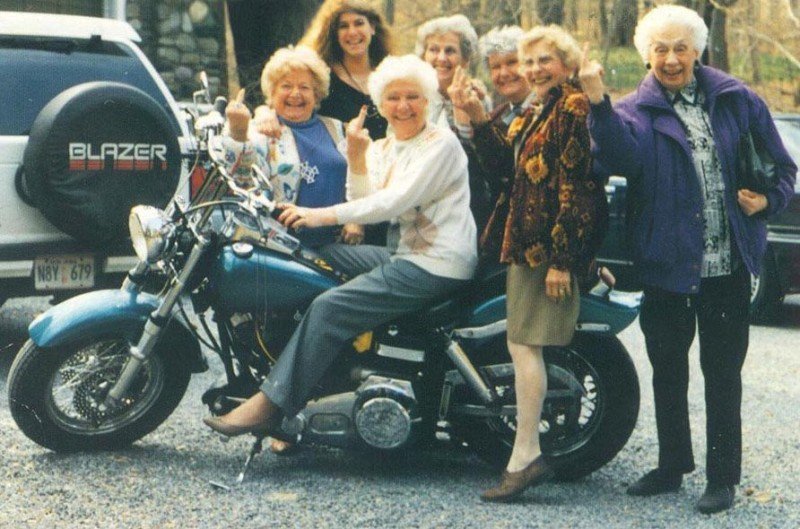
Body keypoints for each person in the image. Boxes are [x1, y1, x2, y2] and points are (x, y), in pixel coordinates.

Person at [578, 5, 796, 514]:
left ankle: (722, 477)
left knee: (723, 374)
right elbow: (619, 158)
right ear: (646, 55)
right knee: (668, 371)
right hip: (666, 264)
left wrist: (767, 202)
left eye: (681, 48)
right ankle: (672, 465)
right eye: (661, 49)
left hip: (728, 265)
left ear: (698, 51)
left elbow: (784, 169)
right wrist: (597, 103)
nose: (672, 59)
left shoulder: (737, 99)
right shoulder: (633, 112)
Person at [203, 55, 478, 450]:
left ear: (427, 99)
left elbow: (393, 203)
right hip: (406, 253)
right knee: (311, 258)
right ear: (381, 103)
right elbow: (362, 197)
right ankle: (322, 380)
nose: (403, 106)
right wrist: (358, 157)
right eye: (393, 97)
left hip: (436, 263)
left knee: (329, 307)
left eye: (412, 97)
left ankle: (271, 406)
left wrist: (318, 215)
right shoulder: (390, 145)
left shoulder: (441, 144)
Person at [450, 25, 608, 502]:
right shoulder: (540, 107)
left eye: (545, 60)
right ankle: (524, 453)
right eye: (529, 61)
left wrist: (563, 260)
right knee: (521, 345)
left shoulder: (572, 107)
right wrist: (480, 119)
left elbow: (578, 188)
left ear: (567, 63)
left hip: (544, 250)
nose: (535, 69)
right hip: (524, 245)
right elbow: (507, 173)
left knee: (524, 347)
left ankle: (525, 456)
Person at [221, 45, 362, 248]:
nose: (295, 94)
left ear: (316, 94)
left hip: (337, 245)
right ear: (272, 92)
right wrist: (238, 132)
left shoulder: (337, 128)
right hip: (281, 247)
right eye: (286, 86)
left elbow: (359, 178)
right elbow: (240, 182)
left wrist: (355, 218)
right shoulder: (259, 130)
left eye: (304, 87)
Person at [415, 14, 493, 232]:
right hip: (417, 204)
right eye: (433, 50)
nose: (441, 58)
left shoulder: (476, 98)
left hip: (464, 209)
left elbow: (483, 163)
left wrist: (464, 124)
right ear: (423, 56)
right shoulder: (411, 96)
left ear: (465, 60)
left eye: (450, 51)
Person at [298, 0, 393, 140]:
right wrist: (266, 114)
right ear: (334, 34)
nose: (352, 32)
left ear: (372, 27)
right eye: (343, 26)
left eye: (359, 23)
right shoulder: (321, 77)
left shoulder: (390, 74)